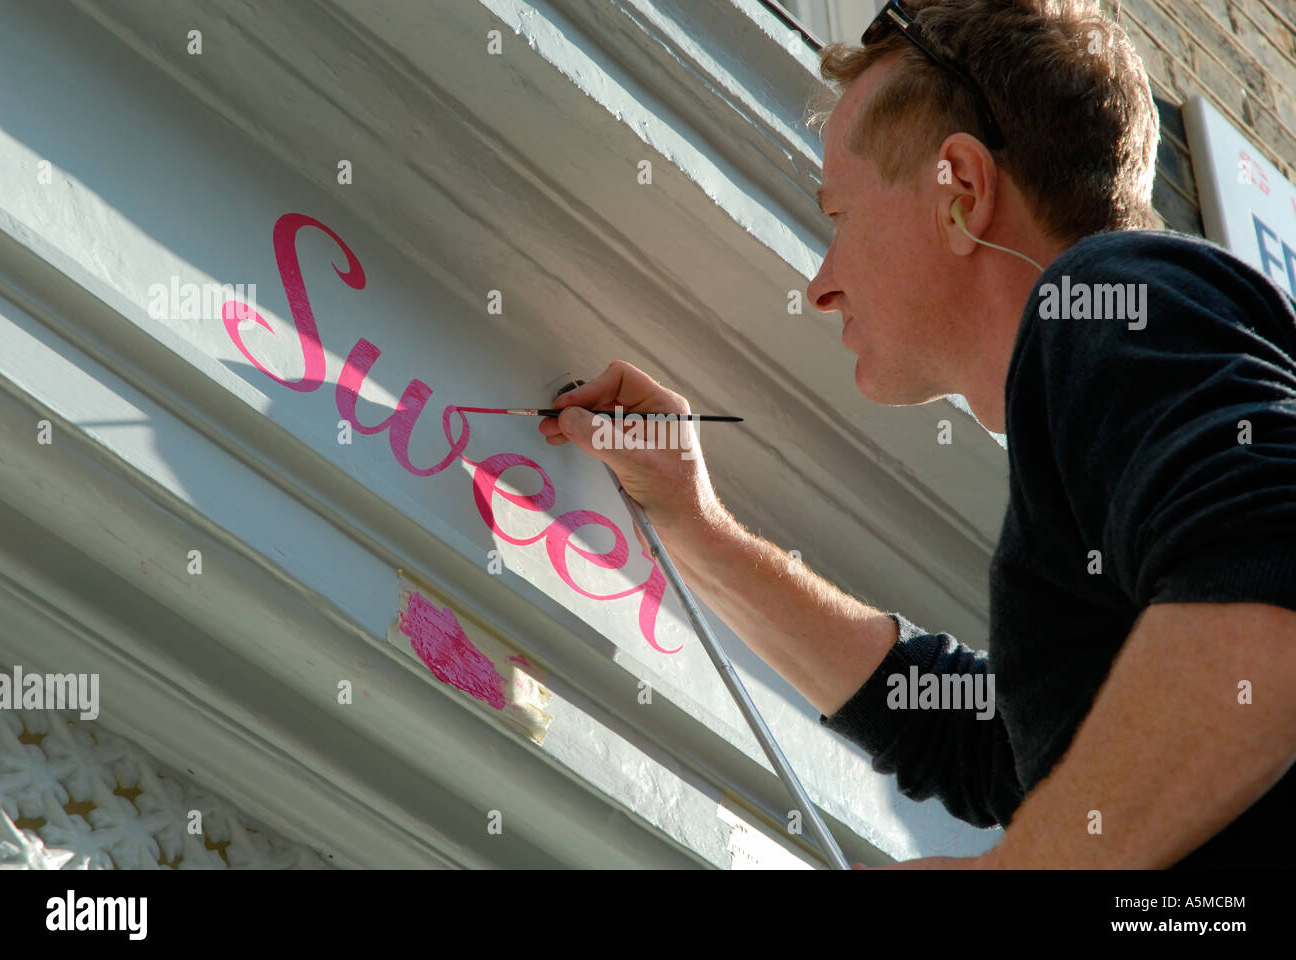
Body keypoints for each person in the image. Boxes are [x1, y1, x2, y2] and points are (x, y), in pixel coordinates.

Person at [538, 0, 1296, 868]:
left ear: (959, 194)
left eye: (838, 216)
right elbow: (979, 738)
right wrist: (697, 526)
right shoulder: (1098, 385)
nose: (821, 286)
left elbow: (1269, 585)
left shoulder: (1112, 290)